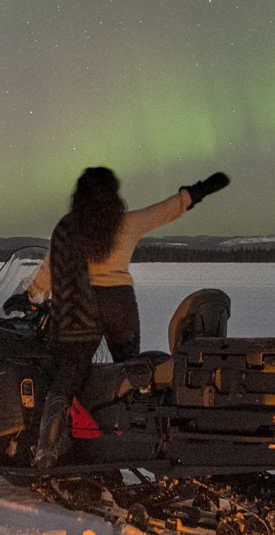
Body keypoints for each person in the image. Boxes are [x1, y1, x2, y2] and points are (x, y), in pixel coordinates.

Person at [27, 166, 229, 467]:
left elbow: (50, 267)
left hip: (82, 306)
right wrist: (199, 190)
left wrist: (31, 295)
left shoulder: (68, 227)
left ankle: (47, 448)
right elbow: (164, 211)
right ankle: (131, 439)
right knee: (129, 374)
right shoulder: (124, 223)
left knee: (68, 375)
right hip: (119, 304)